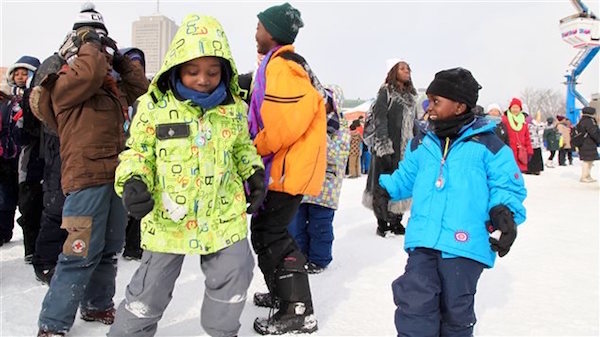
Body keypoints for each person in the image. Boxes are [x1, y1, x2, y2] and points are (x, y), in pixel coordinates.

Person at [108, 14, 264, 337]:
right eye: (193, 71)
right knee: (148, 294)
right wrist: (134, 181)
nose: (203, 79)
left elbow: (242, 148)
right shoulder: (154, 107)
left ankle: (222, 330)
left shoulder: (233, 108)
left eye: (212, 71)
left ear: (225, 70)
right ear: (177, 67)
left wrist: (254, 172)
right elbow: (137, 153)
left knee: (237, 268)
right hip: (168, 217)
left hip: (221, 213)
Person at [377, 67, 527, 336]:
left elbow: (507, 185)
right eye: (429, 100)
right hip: (424, 240)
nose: (429, 107)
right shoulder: (424, 142)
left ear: (459, 106)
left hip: (465, 243)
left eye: (436, 101)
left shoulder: (488, 144)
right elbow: (407, 175)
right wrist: (386, 190)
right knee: (414, 302)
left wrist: (504, 210)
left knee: (455, 311)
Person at [37, 3, 149, 336]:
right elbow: (86, 72)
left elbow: (140, 85)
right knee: (77, 254)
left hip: (114, 178)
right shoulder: (63, 85)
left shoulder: (110, 91)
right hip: (85, 181)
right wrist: (87, 42)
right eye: (93, 43)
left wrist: (118, 57)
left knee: (108, 251)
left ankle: (97, 304)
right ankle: (52, 324)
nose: (98, 49)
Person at [248, 3, 326, 334]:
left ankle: (297, 309)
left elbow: (283, 127)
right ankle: (283, 294)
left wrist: (251, 151)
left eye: (259, 28)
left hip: (286, 168)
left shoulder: (283, 68)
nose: (255, 34)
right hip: (284, 167)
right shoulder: (280, 64)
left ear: (273, 32)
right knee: (266, 233)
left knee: (272, 235)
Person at [288, 85, 350, 274]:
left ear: (334, 104)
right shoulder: (307, 123)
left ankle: (319, 259)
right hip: (303, 185)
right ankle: (301, 255)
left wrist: (319, 133)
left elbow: (337, 156)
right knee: (296, 225)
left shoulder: (342, 129)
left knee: (320, 227)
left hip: (326, 189)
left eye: (324, 102)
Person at [362, 59, 417, 238]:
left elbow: (415, 124)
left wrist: (417, 145)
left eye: (408, 68)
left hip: (405, 150)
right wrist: (384, 146)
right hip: (388, 147)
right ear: (394, 71)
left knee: (402, 183)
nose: (406, 70)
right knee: (383, 184)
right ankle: (382, 221)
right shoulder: (386, 92)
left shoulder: (411, 98)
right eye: (402, 68)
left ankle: (396, 221)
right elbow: (380, 119)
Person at [0, 56, 40, 248]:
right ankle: (3, 231)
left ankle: (31, 242)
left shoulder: (36, 97)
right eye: (17, 73)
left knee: (27, 201)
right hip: (7, 158)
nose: (21, 77)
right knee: (4, 199)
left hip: (27, 157)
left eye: (25, 73)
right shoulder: (8, 101)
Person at [117, 47, 147, 261]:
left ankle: (133, 246)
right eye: (130, 62)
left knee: (138, 196)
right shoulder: (112, 88)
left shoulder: (143, 93)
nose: (135, 67)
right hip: (116, 149)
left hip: (136, 147)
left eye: (138, 63)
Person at [502, 97, 533, 173]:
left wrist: (529, 150)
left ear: (520, 109)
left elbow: (527, 137)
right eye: (513, 107)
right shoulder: (505, 120)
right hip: (509, 150)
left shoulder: (523, 122)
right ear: (510, 108)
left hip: (521, 152)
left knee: (518, 174)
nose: (515, 109)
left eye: (517, 107)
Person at [575, 107, 600, 182]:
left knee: (589, 160)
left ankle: (587, 175)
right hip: (588, 143)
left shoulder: (582, 120)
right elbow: (593, 132)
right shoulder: (589, 121)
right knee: (587, 160)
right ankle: (584, 176)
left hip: (584, 143)